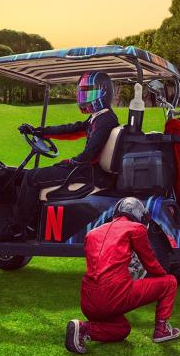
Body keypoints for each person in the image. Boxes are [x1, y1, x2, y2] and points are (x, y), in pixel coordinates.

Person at [65, 197, 180, 354]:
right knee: (170, 282)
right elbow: (151, 263)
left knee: (122, 329)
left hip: (88, 301)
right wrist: (163, 279)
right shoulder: (136, 229)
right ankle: (162, 330)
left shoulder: (92, 234)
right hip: (113, 295)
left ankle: (83, 328)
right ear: (139, 215)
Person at [12, 71, 119, 238]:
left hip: (90, 174)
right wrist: (39, 131)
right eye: (83, 92)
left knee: (32, 177)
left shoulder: (105, 121)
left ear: (103, 92)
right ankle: (33, 223)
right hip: (89, 170)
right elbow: (71, 129)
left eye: (88, 92)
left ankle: (18, 229)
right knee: (30, 175)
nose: (84, 97)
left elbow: (89, 154)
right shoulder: (99, 118)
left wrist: (69, 162)